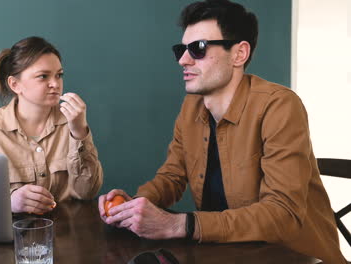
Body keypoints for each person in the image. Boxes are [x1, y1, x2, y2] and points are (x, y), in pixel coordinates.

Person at [98, 1, 346, 263]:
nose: (184, 59)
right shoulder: (192, 106)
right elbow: (172, 176)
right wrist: (133, 206)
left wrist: (180, 224)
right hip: (227, 254)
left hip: (296, 258)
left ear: (239, 54)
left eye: (199, 48)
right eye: (181, 49)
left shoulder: (279, 106)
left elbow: (282, 214)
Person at [0, 36, 103, 215]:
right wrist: (8, 202)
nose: (55, 84)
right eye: (43, 76)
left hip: (67, 235)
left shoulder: (73, 123)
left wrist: (79, 132)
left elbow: (86, 192)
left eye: (59, 75)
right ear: (15, 84)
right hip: (10, 236)